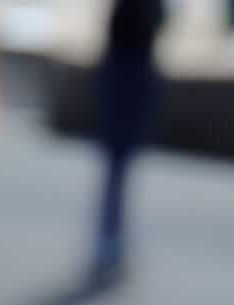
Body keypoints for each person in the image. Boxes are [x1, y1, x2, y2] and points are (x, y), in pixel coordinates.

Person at [92, 0, 166, 281]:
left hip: (126, 78)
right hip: (129, 79)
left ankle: (111, 241)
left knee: (116, 174)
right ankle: (109, 242)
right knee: (117, 174)